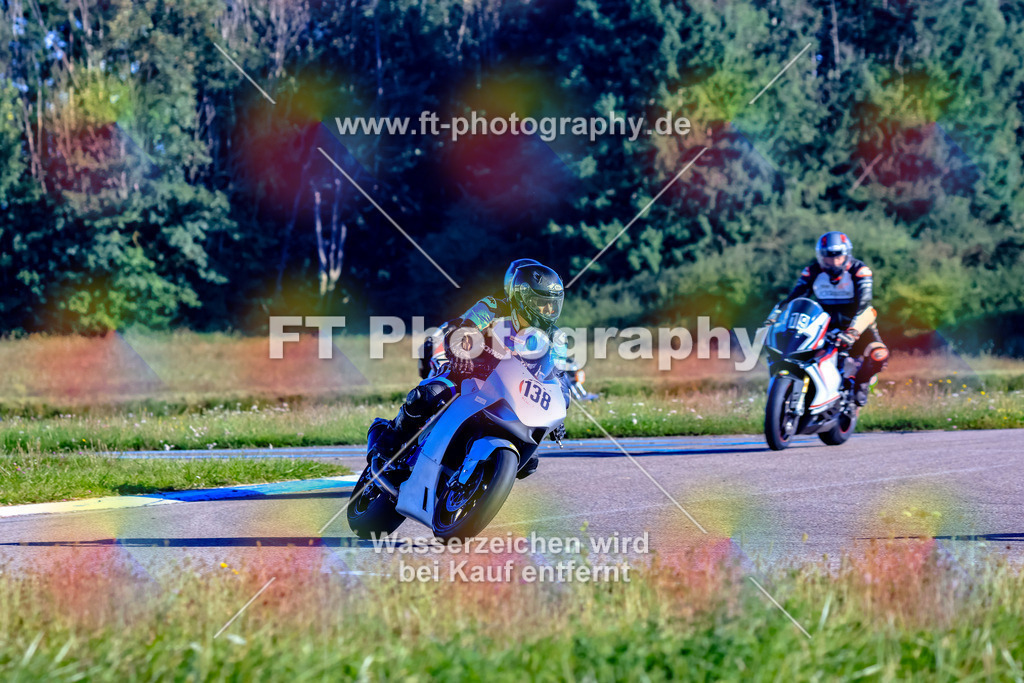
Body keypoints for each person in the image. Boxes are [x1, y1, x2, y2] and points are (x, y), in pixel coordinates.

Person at [368, 261, 570, 479]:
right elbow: (464, 329)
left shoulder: (556, 338)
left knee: (529, 463)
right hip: (470, 373)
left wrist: (557, 417)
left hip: (513, 395)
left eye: (553, 304)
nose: (549, 311)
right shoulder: (493, 307)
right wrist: (463, 350)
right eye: (542, 303)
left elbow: (558, 379)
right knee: (426, 396)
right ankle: (389, 440)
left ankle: (474, 485)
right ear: (524, 299)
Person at [767, 231, 889, 406]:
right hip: (823, 325)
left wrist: (853, 332)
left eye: (837, 257)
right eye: (827, 258)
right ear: (820, 256)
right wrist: (775, 318)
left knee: (880, 354)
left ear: (846, 254)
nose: (833, 262)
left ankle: (861, 384)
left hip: (857, 325)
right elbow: (794, 298)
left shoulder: (860, 270)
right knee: (796, 352)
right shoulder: (812, 271)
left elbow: (865, 305)